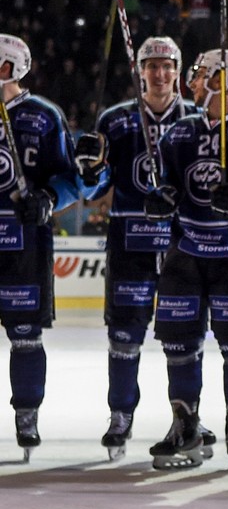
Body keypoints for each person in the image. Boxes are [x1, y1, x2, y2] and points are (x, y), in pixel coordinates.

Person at [142, 49, 228, 470]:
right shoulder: (179, 132)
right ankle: (184, 422)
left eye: (202, 73)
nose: (193, 79)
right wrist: (160, 198)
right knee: (178, 344)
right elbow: (163, 182)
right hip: (185, 255)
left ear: (225, 78)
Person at [77, 36, 200, 461]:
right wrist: (89, 169)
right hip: (130, 242)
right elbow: (94, 189)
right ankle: (120, 414)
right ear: (140, 71)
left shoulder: (197, 118)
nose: (160, 73)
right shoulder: (115, 119)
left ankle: (185, 419)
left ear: (178, 71)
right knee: (125, 336)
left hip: (184, 244)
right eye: (152, 65)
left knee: (182, 339)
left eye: (167, 65)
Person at [0, 33, 88, 463]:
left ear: (8, 68)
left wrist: (49, 198)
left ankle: (27, 413)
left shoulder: (44, 115)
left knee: (25, 337)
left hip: (24, 246)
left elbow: (72, 179)